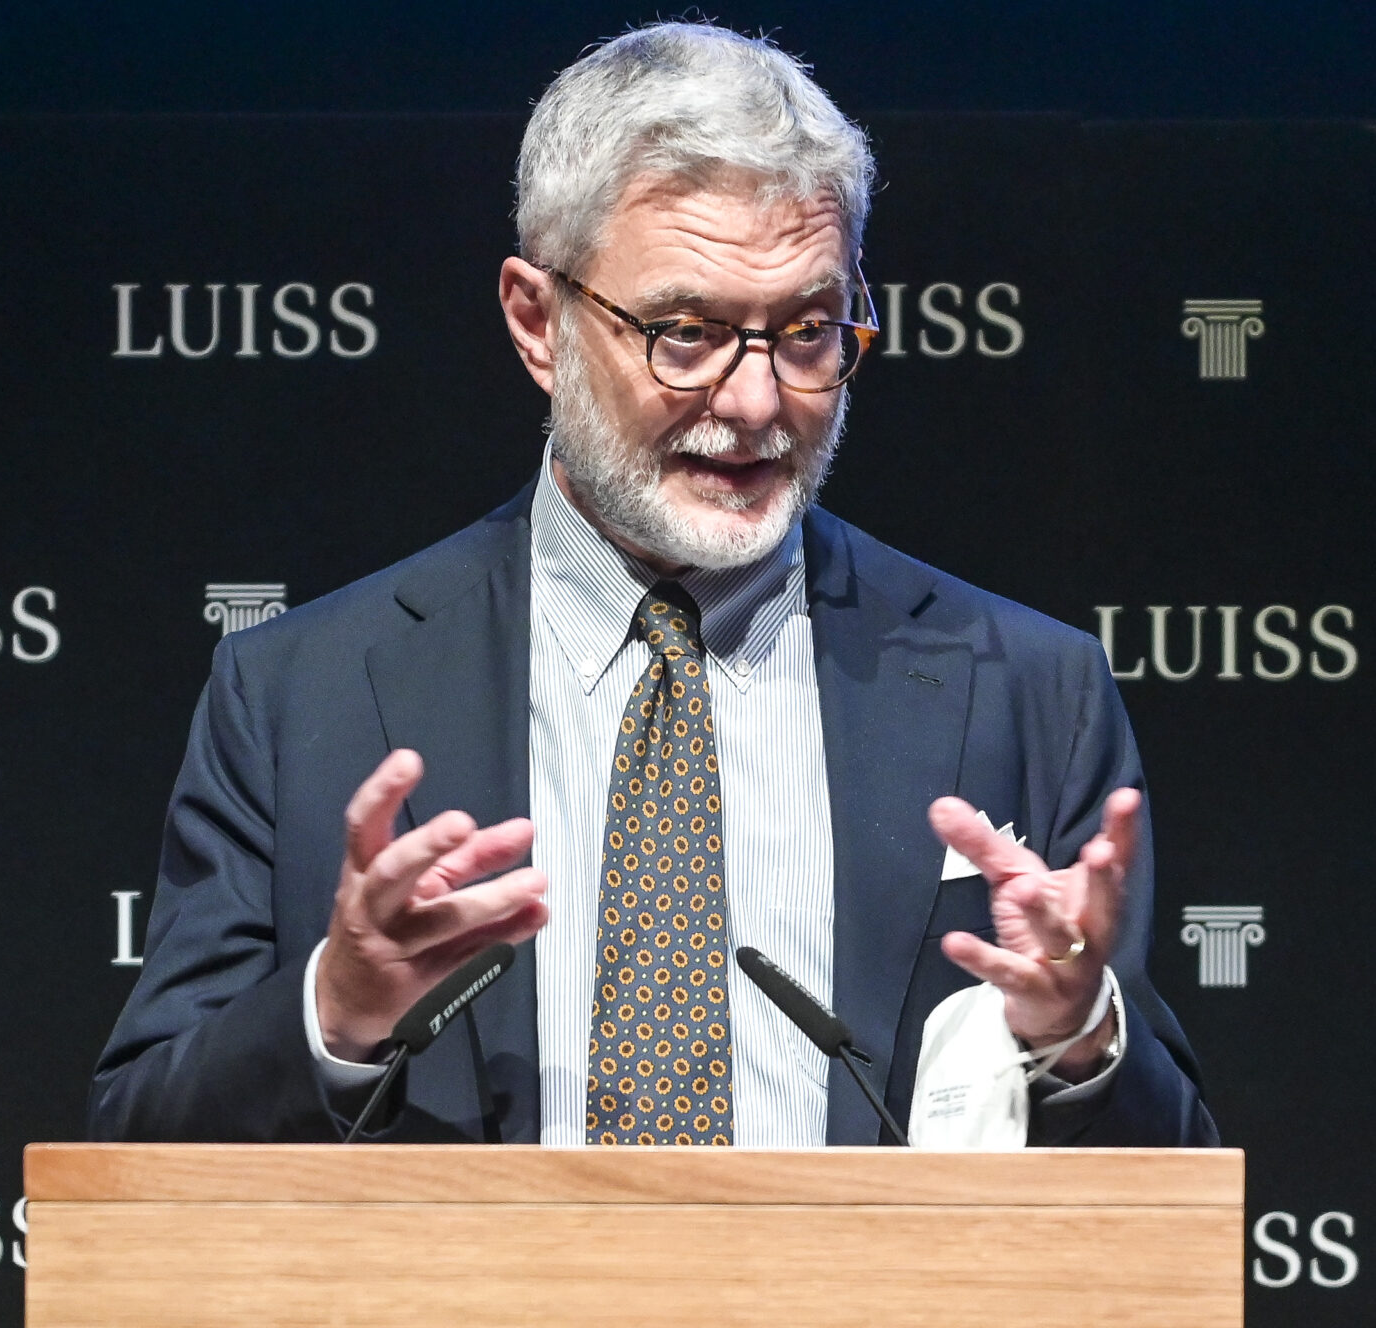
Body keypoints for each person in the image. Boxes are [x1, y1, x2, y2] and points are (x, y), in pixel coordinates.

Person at [89, 22, 1216, 1148]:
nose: (757, 402)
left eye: (806, 332)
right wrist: (334, 1015)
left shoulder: (1028, 691)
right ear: (538, 321)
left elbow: (1172, 1186)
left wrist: (1076, 1040)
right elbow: (136, 1146)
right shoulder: (298, 695)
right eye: (686, 333)